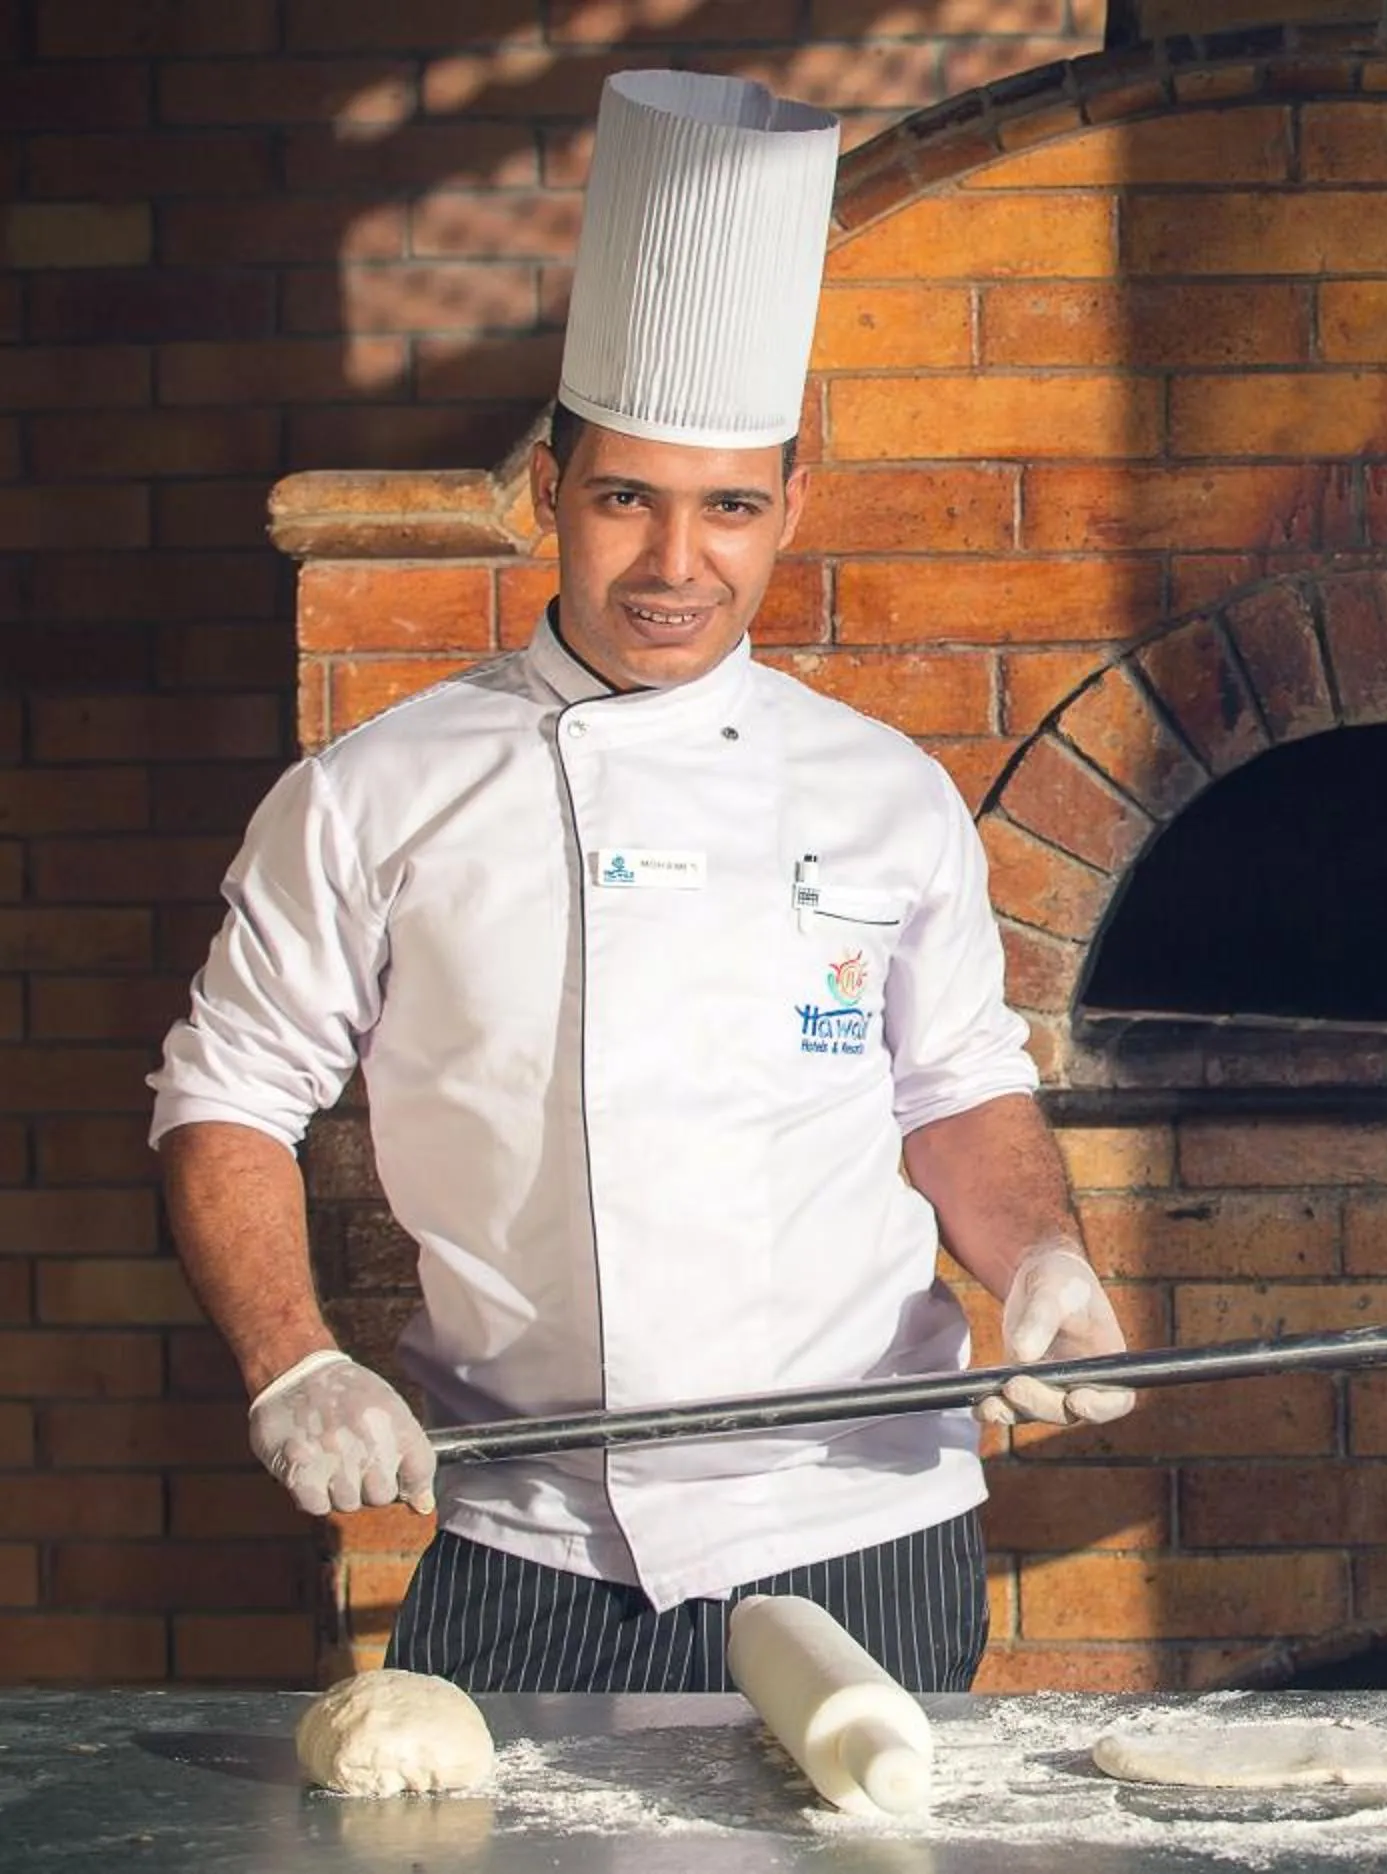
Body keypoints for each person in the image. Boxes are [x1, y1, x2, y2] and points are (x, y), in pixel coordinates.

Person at [148, 70, 1132, 1696]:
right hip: (527, 1523)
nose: (679, 565)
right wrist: (293, 1360)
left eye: (730, 508)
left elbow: (955, 1085)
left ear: (790, 506)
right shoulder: (374, 793)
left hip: (864, 1516)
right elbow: (227, 1094)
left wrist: (1039, 1256)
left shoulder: (884, 792)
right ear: (551, 492)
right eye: (628, 500)